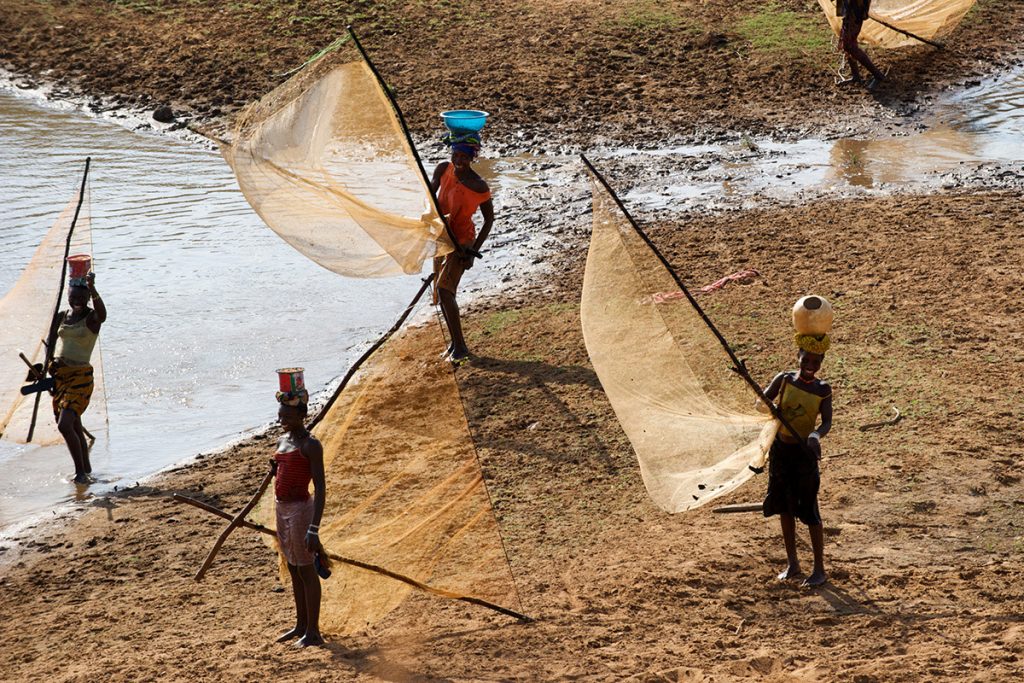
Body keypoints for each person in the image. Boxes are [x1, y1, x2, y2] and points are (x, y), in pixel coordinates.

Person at [760, 338, 833, 587]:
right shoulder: (784, 379)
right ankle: (793, 563)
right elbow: (761, 403)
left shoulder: (823, 390)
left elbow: (826, 422)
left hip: (804, 454)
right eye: (806, 360)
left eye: (816, 361)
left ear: (822, 362)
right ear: (798, 356)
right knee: (783, 507)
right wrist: (771, 408)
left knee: (810, 511)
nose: (810, 365)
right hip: (781, 451)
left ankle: (819, 569)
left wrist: (814, 436)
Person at [429, 138, 495, 365]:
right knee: (441, 293)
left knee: (445, 290)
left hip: (463, 242)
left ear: (472, 159)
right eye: (455, 155)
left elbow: (489, 220)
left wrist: (473, 251)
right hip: (442, 236)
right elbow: (431, 194)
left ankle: (461, 346)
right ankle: (455, 344)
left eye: (464, 158)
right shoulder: (443, 169)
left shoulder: (479, 186)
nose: (458, 161)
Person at [273, 382, 327, 647]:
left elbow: (320, 488)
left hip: (300, 510)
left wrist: (313, 529)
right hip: (281, 509)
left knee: (306, 569)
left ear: (302, 416)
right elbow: (282, 470)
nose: (281, 420)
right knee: (293, 568)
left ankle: (313, 631)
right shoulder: (282, 441)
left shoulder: (311, 445)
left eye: (287, 416)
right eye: (280, 415)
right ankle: (300, 625)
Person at [49, 271, 106, 484]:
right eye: (73, 298)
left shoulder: (92, 318)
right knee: (73, 425)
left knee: (65, 425)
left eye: (81, 298)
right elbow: (51, 343)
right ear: (68, 297)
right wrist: (46, 367)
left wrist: (92, 287)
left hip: (80, 377)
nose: (77, 302)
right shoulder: (62, 316)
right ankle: (88, 468)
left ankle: (80, 473)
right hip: (60, 376)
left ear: (88, 298)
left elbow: (103, 315)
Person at [836, 0, 886, 89]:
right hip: (852, 8)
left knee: (849, 45)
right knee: (848, 43)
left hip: (855, 8)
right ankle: (856, 76)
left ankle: (878, 75)